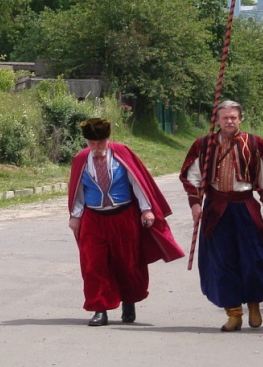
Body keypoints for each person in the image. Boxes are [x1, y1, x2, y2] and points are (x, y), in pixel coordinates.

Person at [67, 117, 184, 327]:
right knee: (93, 264)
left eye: (100, 143)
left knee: (128, 263)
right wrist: (75, 216)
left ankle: (128, 302)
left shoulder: (121, 154)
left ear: (108, 139)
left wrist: (147, 210)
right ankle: (99, 309)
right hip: (93, 218)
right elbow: (78, 190)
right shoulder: (81, 160)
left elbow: (138, 182)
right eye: (92, 143)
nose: (96, 148)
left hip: (124, 216)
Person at [179, 100, 263, 331]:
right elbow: (191, 177)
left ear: (240, 118)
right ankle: (234, 313)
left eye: (233, 117)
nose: (229, 121)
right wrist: (195, 203)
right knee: (221, 263)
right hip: (216, 209)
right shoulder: (204, 145)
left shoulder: (253, 143)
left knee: (253, 259)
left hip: (245, 208)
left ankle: (254, 304)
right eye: (225, 117)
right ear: (217, 119)